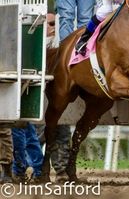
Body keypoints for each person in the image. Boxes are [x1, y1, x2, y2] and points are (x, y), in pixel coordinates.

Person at [35, 12, 71, 183]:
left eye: (55, 24)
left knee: (63, 133)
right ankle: (35, 169)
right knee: (38, 136)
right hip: (40, 101)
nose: (53, 28)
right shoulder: (35, 46)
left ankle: (62, 171)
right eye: (49, 24)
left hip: (58, 99)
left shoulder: (64, 48)